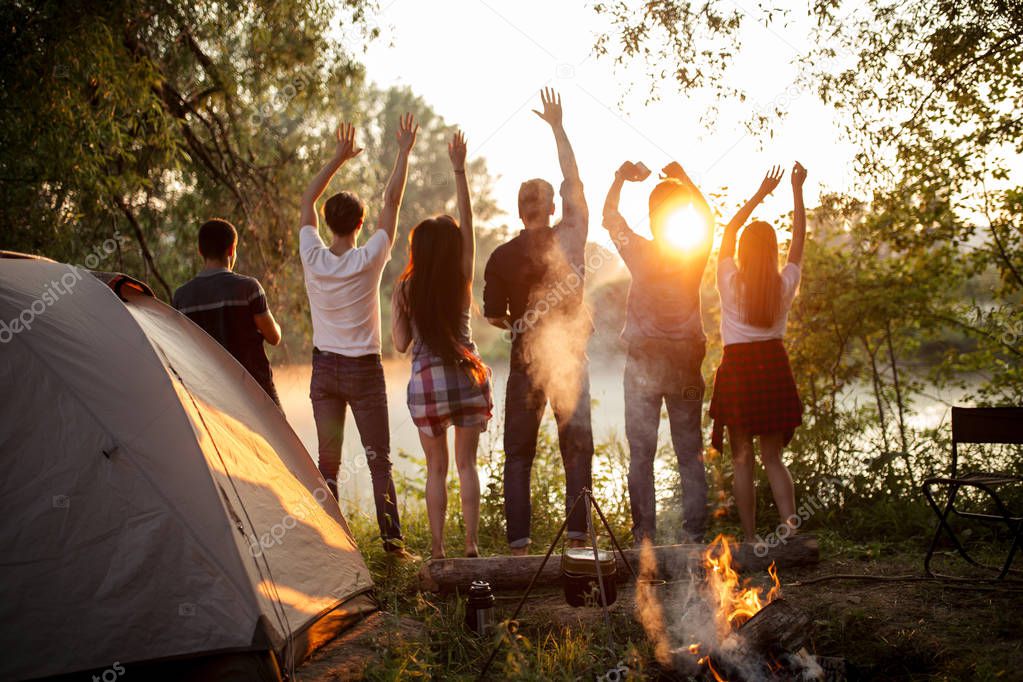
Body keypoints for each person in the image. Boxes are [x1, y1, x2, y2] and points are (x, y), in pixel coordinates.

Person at [298, 117, 418, 559]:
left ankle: (328, 544)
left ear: (326, 222)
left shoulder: (312, 255)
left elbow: (306, 198)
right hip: (364, 372)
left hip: (323, 370)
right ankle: (392, 544)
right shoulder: (370, 258)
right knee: (377, 460)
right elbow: (394, 199)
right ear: (361, 224)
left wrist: (337, 157)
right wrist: (403, 150)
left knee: (327, 463)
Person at [483, 88, 594, 555]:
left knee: (519, 457)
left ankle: (519, 549)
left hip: (526, 364)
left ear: (519, 209)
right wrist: (557, 127)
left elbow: (491, 314)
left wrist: (518, 322)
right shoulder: (571, 234)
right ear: (550, 208)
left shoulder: (501, 257)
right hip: (569, 359)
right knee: (577, 451)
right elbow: (575, 180)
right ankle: (578, 540)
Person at [601, 160, 715, 545]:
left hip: (644, 365)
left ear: (651, 217)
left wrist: (620, 178)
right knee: (689, 450)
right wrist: (685, 178)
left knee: (641, 454)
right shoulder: (694, 255)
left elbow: (610, 216)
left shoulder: (639, 252)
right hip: (685, 365)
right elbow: (708, 219)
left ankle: (644, 535)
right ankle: (695, 534)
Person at [392, 130, 493, 559]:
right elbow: (467, 224)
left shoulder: (405, 288)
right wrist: (459, 169)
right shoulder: (462, 277)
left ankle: (437, 552)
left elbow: (399, 345)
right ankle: (470, 546)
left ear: (418, 249)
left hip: (428, 383)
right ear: (453, 249)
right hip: (467, 377)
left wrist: (405, 314)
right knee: (467, 465)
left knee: (437, 469)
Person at [709, 162, 807, 543]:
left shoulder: (730, 280)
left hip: (738, 373)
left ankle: (750, 539)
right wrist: (797, 190)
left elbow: (729, 232)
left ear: (745, 252)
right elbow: (799, 242)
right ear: (773, 252)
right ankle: (791, 532)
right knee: (773, 460)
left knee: (742, 460)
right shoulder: (784, 284)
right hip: (773, 369)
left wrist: (761, 193)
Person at [173, 218, 283, 406]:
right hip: (255, 390)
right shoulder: (249, 288)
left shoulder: (181, 297)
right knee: (277, 436)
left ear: (201, 251)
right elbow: (273, 337)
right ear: (232, 249)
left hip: (208, 395)